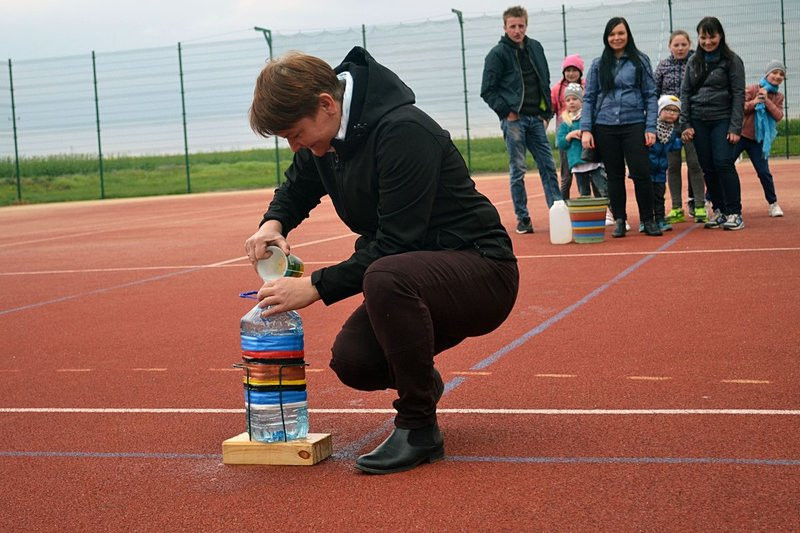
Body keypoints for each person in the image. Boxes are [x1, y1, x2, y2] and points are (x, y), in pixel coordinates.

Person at [244, 48, 519, 475]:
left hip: (480, 270)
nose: (296, 146)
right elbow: (298, 184)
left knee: (385, 274)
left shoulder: (402, 131)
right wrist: (273, 224)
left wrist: (315, 286)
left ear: (326, 104)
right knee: (355, 360)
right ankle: (422, 384)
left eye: (295, 134)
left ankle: (418, 428)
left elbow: (394, 244)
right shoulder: (328, 138)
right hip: (414, 273)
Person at [481, 5, 562, 234]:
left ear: (526, 25)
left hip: (536, 119)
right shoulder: (497, 54)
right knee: (518, 168)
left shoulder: (535, 47)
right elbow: (487, 89)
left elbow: (543, 80)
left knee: (547, 165)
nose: (517, 30)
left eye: (521, 26)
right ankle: (523, 218)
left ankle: (557, 210)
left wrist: (546, 114)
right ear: (505, 27)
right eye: (513, 26)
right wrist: (507, 112)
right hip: (514, 120)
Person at [580, 16, 661, 238]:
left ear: (628, 35)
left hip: (634, 123)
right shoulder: (598, 64)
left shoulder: (640, 61)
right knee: (614, 176)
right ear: (606, 37)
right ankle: (619, 219)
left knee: (641, 173)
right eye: (612, 34)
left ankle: (648, 220)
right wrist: (586, 129)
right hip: (605, 126)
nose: (616, 38)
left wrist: (650, 127)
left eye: (620, 33)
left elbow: (650, 95)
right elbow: (589, 98)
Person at [680, 16, 746, 230]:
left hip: (722, 119)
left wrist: (735, 127)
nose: (708, 42)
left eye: (712, 37)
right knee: (707, 167)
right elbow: (685, 93)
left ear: (720, 36)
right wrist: (685, 123)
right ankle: (719, 210)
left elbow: (738, 94)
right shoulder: (693, 61)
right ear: (698, 38)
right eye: (703, 37)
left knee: (723, 163)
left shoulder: (732, 60)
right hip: (698, 120)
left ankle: (734, 212)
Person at [654, 30, 707, 223]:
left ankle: (700, 206)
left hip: (692, 124)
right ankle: (676, 208)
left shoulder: (698, 63)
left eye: (683, 44)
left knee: (695, 164)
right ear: (670, 47)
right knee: (672, 166)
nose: (680, 48)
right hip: (668, 126)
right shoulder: (663, 66)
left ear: (690, 44)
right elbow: (654, 93)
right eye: (676, 45)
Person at [733, 59, 786, 218]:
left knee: (764, 172)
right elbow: (739, 108)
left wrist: (767, 100)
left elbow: (778, 116)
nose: (777, 76)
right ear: (767, 73)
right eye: (774, 72)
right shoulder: (753, 89)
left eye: (781, 74)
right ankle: (710, 199)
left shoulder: (778, 96)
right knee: (724, 166)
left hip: (760, 140)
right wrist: (755, 102)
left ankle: (773, 204)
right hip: (741, 136)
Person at [556, 83, 609, 201]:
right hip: (577, 164)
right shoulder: (565, 123)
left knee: (603, 189)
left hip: (593, 161)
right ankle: (589, 217)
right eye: (568, 100)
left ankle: (610, 214)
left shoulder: (588, 118)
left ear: (582, 100)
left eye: (575, 99)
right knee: (584, 193)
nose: (571, 102)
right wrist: (569, 136)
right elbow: (560, 143)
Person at [642, 95, 684, 233]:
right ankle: (645, 220)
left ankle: (660, 218)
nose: (671, 113)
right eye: (667, 109)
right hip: (647, 167)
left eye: (675, 111)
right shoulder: (650, 127)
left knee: (660, 195)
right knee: (646, 195)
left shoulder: (672, 131)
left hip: (661, 169)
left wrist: (682, 141)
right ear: (659, 111)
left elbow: (673, 146)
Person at [551, 54, 586, 200]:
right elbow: (550, 109)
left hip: (584, 134)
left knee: (587, 171)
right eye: (567, 70)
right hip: (566, 134)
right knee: (566, 174)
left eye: (574, 70)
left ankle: (590, 203)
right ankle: (563, 203)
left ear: (580, 71)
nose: (571, 73)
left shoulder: (586, 86)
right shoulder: (557, 89)